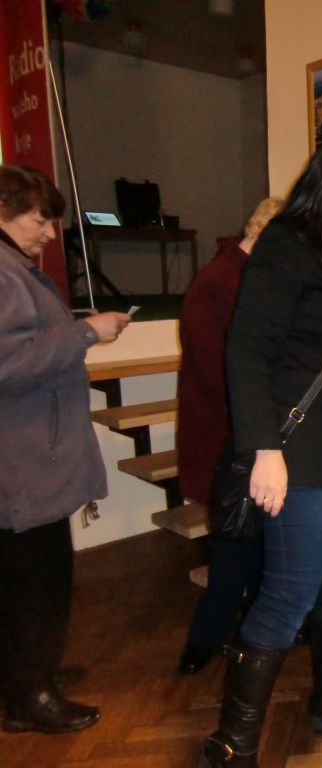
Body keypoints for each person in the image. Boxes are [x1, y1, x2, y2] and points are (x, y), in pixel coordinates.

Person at [197, 141, 322, 768]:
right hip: (297, 450)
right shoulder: (287, 245)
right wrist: (265, 449)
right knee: (290, 591)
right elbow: (246, 351)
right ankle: (232, 743)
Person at [0, 164, 131, 733]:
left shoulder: (12, 269)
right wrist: (84, 333)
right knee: (37, 582)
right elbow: (8, 364)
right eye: (40, 219)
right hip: (23, 459)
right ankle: (30, 697)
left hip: (24, 454)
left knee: (25, 580)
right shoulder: (4, 273)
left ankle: (26, 678)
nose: (50, 234)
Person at [176, 197, 283, 675]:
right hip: (226, 438)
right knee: (234, 548)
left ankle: (249, 637)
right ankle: (205, 640)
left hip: (246, 435)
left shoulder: (247, 277)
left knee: (253, 543)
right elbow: (221, 372)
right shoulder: (217, 282)